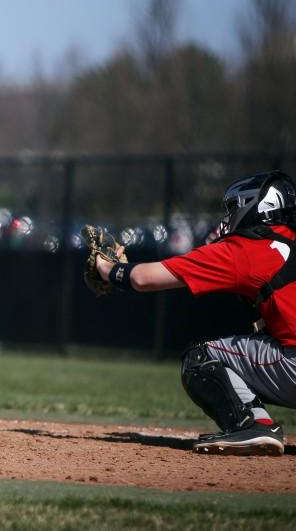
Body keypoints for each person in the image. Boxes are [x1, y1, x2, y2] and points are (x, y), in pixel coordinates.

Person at [93, 171, 296, 455]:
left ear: (256, 206)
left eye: (234, 207)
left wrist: (105, 268)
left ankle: (253, 424)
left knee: (199, 358)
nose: (229, 217)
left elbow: (143, 278)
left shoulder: (245, 248)